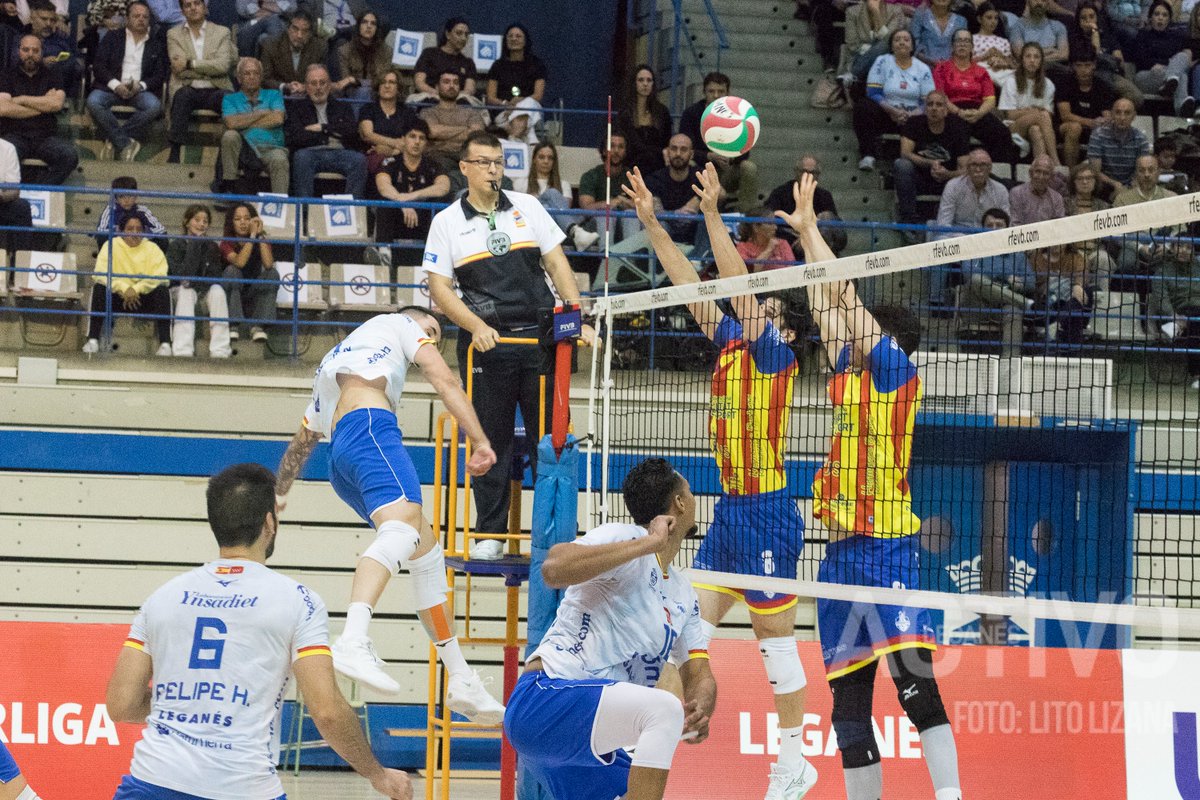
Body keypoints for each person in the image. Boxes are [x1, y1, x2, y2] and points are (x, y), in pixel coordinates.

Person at [623, 162, 818, 799]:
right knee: (683, 633)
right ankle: (641, 760)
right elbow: (689, 286)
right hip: (731, 515)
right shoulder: (733, 343)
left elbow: (734, 286)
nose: (753, 306)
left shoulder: (774, 353)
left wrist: (711, 212)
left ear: (783, 327)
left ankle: (793, 763)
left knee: (776, 647)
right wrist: (653, 224)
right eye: (754, 304)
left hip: (769, 512)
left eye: (765, 305)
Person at [776, 173, 962, 800]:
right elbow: (830, 308)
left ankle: (950, 796)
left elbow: (846, 303)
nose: (851, 341)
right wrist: (805, 238)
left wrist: (813, 233)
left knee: (916, 688)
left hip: (888, 547)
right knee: (849, 714)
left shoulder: (897, 376)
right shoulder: (849, 376)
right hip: (841, 558)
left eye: (865, 337)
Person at [105, 463, 413, 800]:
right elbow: (326, 711)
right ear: (270, 522)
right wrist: (377, 773)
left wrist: (188, 703)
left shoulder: (161, 598)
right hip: (243, 788)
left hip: (152, 782)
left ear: (215, 524)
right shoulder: (299, 601)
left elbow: (122, 704)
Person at [273, 306, 505, 723]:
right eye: (430, 330)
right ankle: (353, 639)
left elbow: (305, 438)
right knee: (400, 532)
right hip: (370, 428)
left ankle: (461, 679)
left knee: (426, 556)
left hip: (340, 458)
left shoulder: (336, 360)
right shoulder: (398, 324)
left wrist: (279, 490)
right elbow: (445, 379)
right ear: (411, 320)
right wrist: (480, 439)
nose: (431, 340)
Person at [423, 131, 596, 562]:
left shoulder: (529, 207)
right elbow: (439, 289)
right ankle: (490, 534)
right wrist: (474, 323)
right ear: (464, 168)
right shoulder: (446, 222)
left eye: (498, 162)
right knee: (490, 439)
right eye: (483, 163)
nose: (492, 170)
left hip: (539, 339)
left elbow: (557, 263)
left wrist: (574, 319)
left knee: (551, 440)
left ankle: (557, 532)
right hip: (486, 344)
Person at [505, 457, 718, 800]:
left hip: (586, 740)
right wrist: (649, 544)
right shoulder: (623, 537)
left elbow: (700, 673)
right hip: (543, 701)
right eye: (690, 492)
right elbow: (553, 569)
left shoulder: (682, 594)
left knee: (632, 782)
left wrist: (700, 709)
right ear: (679, 502)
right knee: (663, 709)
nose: (692, 498)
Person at [86, 0, 165, 162]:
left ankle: (116, 139)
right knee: (93, 101)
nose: (141, 19)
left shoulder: (156, 43)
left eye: (145, 17)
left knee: (154, 106)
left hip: (140, 90)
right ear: (127, 19)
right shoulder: (113, 37)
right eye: (136, 16)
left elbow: (160, 75)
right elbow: (99, 66)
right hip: (112, 87)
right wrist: (116, 85)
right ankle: (125, 143)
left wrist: (140, 86)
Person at [84, 211, 172, 356]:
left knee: (163, 292)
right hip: (118, 297)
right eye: (130, 229)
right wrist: (124, 288)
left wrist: (136, 289)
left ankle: (165, 344)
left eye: (138, 229)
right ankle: (92, 340)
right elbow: (99, 274)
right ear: (121, 230)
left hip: (142, 299)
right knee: (99, 289)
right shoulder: (110, 246)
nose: (135, 233)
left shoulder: (153, 248)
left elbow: (161, 276)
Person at [853, 29, 935, 171]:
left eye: (906, 40)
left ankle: (922, 162)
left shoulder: (923, 68)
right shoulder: (882, 61)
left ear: (912, 46)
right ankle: (868, 155)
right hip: (886, 112)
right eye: (897, 40)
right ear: (891, 46)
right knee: (863, 107)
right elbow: (873, 92)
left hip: (913, 116)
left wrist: (911, 114)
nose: (902, 42)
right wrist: (893, 111)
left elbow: (927, 100)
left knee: (933, 113)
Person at [0, 34, 77, 185]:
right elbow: (3, 108)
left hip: (44, 137)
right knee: (2, 153)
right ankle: (13, 195)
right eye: (26, 49)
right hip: (14, 134)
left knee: (70, 156)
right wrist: (43, 105)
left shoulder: (53, 74)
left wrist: (21, 100)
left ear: (42, 53)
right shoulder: (6, 75)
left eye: (35, 50)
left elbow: (56, 105)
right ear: (18, 51)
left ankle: (40, 190)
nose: (30, 54)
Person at [165, 0, 236, 163]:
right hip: (188, 87)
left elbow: (223, 66)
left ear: (205, 7)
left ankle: (227, 156)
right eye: (187, 5)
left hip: (217, 88)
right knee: (182, 96)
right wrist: (210, 67)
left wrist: (190, 64)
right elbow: (178, 68)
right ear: (182, 11)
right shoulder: (173, 34)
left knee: (229, 100)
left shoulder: (222, 32)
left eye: (197, 3)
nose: (192, 8)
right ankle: (175, 152)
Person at [678, 72, 759, 211]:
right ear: (704, 92)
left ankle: (744, 218)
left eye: (720, 91)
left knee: (749, 167)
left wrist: (731, 157)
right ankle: (691, 209)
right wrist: (710, 156)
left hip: (726, 169)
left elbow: (745, 150)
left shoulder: (738, 114)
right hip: (701, 169)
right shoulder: (691, 114)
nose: (716, 95)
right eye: (711, 91)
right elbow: (685, 149)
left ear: (727, 93)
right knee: (688, 163)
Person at [374, 119, 450, 267]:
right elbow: (383, 186)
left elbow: (443, 187)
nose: (417, 142)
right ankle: (384, 254)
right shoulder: (390, 162)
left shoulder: (433, 165)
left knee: (440, 203)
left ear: (426, 143)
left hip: (422, 221)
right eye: (412, 136)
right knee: (385, 202)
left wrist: (410, 198)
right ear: (403, 139)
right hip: (396, 220)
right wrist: (402, 203)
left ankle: (435, 258)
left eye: (421, 138)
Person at [933, 29, 1015, 162]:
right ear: (952, 46)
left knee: (1002, 133)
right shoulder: (942, 68)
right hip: (952, 111)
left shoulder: (981, 71)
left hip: (977, 111)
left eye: (966, 41)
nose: (962, 44)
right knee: (959, 131)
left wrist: (979, 113)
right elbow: (941, 97)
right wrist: (959, 112)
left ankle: (994, 173)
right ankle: (960, 172)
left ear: (972, 46)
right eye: (959, 41)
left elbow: (990, 100)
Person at [892, 90, 971, 229]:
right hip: (919, 178)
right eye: (930, 104)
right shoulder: (913, 123)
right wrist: (931, 163)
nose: (934, 108)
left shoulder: (958, 128)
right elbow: (905, 153)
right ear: (925, 108)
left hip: (948, 180)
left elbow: (965, 168)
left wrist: (947, 174)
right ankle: (908, 221)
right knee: (901, 165)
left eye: (939, 105)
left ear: (946, 110)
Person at [285, 63, 366, 197]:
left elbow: (351, 132)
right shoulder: (297, 108)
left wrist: (323, 128)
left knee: (359, 160)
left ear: (329, 86)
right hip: (310, 153)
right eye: (313, 83)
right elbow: (295, 137)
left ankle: (352, 212)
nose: (318, 88)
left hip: (340, 153)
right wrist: (329, 135)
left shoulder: (342, 106)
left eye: (322, 83)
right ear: (306, 87)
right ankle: (304, 212)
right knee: (300, 157)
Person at [961, 207, 1038, 347]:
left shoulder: (1018, 254)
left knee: (1014, 312)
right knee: (977, 280)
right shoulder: (973, 248)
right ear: (982, 229)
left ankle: (1011, 364)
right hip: (977, 306)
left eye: (999, 225)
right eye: (990, 226)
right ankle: (1024, 303)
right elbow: (968, 273)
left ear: (1008, 228)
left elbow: (1031, 282)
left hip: (1004, 307)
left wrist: (1019, 284)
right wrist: (1005, 275)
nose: (994, 229)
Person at [168, 203, 231, 358]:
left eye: (205, 221)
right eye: (197, 220)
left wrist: (196, 283)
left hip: (202, 287)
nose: (201, 224)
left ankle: (220, 349)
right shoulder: (176, 245)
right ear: (187, 221)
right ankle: (183, 350)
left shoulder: (212, 247)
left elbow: (215, 275)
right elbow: (180, 275)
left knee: (218, 291)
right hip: (179, 290)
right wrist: (194, 246)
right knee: (186, 292)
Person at [219, 56, 289, 194]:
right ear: (239, 78)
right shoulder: (230, 99)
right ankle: (229, 185)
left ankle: (281, 206)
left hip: (271, 148)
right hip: (243, 150)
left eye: (256, 73)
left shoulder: (274, 95)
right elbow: (232, 123)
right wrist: (262, 113)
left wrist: (243, 122)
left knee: (280, 159)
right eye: (247, 73)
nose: (252, 77)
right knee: (230, 135)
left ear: (261, 77)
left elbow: (277, 119)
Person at [513, 141, 599, 250]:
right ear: (534, 159)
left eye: (550, 158)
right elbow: (517, 211)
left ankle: (568, 236)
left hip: (555, 228)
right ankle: (576, 233)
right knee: (551, 197)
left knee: (549, 207)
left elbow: (563, 211)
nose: (546, 161)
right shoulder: (520, 183)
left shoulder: (564, 185)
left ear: (554, 162)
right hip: (529, 227)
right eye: (541, 157)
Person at [219, 202, 278, 343]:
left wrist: (260, 234)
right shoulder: (226, 243)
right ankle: (233, 325)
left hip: (252, 291)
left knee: (272, 274)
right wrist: (252, 237)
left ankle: (258, 327)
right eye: (238, 219)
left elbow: (268, 264)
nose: (243, 223)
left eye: (247, 218)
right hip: (232, 292)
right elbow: (240, 262)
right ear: (231, 223)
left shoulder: (260, 240)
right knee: (232, 270)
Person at [765, 154, 845, 257]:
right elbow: (769, 221)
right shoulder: (780, 193)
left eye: (812, 172)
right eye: (804, 171)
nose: (808, 175)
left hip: (819, 239)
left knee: (827, 217)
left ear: (818, 175)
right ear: (796, 172)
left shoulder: (825, 195)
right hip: (790, 243)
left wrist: (808, 236)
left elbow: (834, 227)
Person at [998, 42, 1060, 166]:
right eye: (1028, 56)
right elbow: (1010, 115)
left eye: (1036, 57)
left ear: (1041, 61)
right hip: (1013, 127)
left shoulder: (1048, 84)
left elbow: (1048, 115)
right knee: (1041, 116)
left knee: (1035, 130)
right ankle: (1056, 162)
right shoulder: (1011, 81)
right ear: (1022, 59)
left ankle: (1041, 168)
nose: (1032, 60)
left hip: (1037, 125)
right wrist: (1033, 111)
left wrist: (1028, 112)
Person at [1130, 0, 1195, 118]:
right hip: (1146, 75)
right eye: (1157, 14)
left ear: (1169, 19)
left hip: (1166, 75)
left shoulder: (1175, 37)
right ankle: (1179, 101)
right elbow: (1140, 58)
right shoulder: (1143, 35)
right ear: (1150, 17)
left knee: (1183, 57)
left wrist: (1167, 67)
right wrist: (1155, 64)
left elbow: (1183, 59)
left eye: (1164, 15)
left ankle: (1171, 84)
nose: (1160, 18)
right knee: (1181, 76)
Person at [1056, 45, 1117, 167]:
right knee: (1074, 128)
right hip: (1065, 127)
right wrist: (1090, 122)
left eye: (1087, 65)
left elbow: (1108, 115)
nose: (1083, 70)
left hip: (1094, 129)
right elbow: (1065, 115)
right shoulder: (1064, 83)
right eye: (1079, 66)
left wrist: (1104, 121)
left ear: (1094, 65)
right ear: (1073, 66)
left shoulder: (1103, 87)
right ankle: (1071, 172)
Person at [486, 23, 546, 144]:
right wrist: (506, 104)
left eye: (518, 36)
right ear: (505, 40)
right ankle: (530, 139)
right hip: (504, 112)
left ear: (525, 41)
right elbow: (490, 98)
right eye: (510, 36)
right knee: (526, 122)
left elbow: (538, 96)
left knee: (529, 103)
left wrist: (518, 103)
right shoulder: (497, 66)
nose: (514, 39)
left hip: (529, 109)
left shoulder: (537, 64)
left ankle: (513, 139)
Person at [578, 130, 639, 248]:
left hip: (625, 224)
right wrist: (609, 204)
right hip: (596, 225)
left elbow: (644, 206)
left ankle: (630, 264)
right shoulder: (591, 175)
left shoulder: (632, 176)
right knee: (606, 215)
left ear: (625, 151)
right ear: (604, 150)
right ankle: (606, 262)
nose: (616, 151)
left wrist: (624, 202)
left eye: (621, 147)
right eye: (612, 146)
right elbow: (586, 207)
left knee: (630, 215)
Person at [419, 69, 487, 171]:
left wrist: (443, 133)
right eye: (446, 82)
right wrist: (466, 129)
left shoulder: (471, 112)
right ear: (437, 87)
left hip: (468, 156)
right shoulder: (428, 112)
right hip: (439, 155)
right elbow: (433, 131)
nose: (451, 86)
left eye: (455, 82)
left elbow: (477, 134)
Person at [358, 67, 420, 180]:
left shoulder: (407, 112)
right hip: (373, 155)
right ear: (378, 87)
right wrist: (395, 143)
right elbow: (368, 135)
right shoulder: (368, 109)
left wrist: (391, 151)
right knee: (383, 164)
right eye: (383, 82)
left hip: (401, 154)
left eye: (391, 82)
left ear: (398, 88)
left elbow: (411, 139)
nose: (387, 86)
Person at [1087, 97, 1150, 198]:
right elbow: (1095, 171)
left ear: (1134, 116)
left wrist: (1129, 188)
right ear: (1112, 114)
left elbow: (1142, 170)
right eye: (1118, 112)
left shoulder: (1141, 139)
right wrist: (1115, 184)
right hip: (1104, 184)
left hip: (1131, 186)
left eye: (1127, 113)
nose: (1122, 117)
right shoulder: (1098, 135)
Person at [618, 64, 672, 178]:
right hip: (631, 165)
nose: (645, 84)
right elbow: (631, 143)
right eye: (641, 80)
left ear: (653, 84)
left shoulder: (662, 111)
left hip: (657, 167)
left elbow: (667, 141)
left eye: (649, 80)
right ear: (634, 83)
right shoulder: (625, 112)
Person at [260, 10, 325, 97]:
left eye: (304, 31)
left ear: (310, 33)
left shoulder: (319, 47)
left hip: (308, 98)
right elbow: (264, 79)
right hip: (278, 97)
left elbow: (324, 79)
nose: (299, 35)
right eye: (295, 29)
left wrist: (306, 87)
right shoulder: (271, 45)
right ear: (288, 29)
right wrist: (285, 87)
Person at [842, 0, 908, 84]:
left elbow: (890, 40)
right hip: (859, 56)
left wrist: (876, 13)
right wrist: (874, 51)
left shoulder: (895, 11)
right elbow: (852, 44)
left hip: (886, 57)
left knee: (885, 45)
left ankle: (852, 75)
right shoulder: (852, 12)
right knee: (881, 48)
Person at [25, 0, 81, 96]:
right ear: (32, 19)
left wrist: (60, 62)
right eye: (44, 19)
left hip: (60, 83)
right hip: (29, 83)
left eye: (52, 20)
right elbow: (15, 60)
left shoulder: (62, 39)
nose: (48, 24)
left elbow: (75, 58)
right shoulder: (21, 37)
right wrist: (41, 61)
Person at [95, 175, 168, 246]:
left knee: (162, 240)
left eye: (130, 195)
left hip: (139, 247)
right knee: (102, 238)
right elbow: (101, 231)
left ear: (136, 196)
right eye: (121, 196)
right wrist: (118, 232)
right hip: (118, 248)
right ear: (116, 198)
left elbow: (161, 230)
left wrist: (142, 231)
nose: (126, 200)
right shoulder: (110, 210)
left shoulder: (143, 210)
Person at [413, 16, 475, 97]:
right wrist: (442, 97)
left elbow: (469, 90)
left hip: (458, 102)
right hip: (430, 99)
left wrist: (450, 99)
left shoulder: (468, 63)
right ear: (448, 34)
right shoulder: (429, 54)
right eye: (459, 33)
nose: (463, 38)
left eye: (466, 35)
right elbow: (419, 83)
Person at [335, 10, 389, 101]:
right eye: (364, 22)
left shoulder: (386, 51)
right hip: (351, 92)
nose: (369, 26)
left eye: (373, 23)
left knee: (364, 92)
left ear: (377, 29)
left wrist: (355, 80)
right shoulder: (344, 50)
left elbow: (381, 80)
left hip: (377, 93)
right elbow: (345, 81)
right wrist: (352, 81)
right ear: (358, 27)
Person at [1009, 0, 1069, 68]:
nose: (1039, 3)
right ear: (1028, 2)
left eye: (1043, 0)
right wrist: (1051, 50)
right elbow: (1021, 55)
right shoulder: (1017, 27)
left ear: (1048, 3)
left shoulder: (1058, 26)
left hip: (1053, 70)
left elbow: (1064, 55)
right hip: (1028, 71)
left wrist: (1032, 56)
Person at [0, 137, 32, 263]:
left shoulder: (7, 148)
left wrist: (2, 197)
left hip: (1, 202)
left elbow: (14, 190)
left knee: (21, 207)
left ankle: (20, 268)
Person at [1009, 154, 1065, 225]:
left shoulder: (1057, 198)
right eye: (1038, 171)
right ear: (1030, 173)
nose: (1041, 177)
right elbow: (1015, 223)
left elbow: (1058, 225)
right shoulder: (1017, 193)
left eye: (1046, 173)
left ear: (1051, 177)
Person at [972, 1, 1016, 85]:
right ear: (979, 19)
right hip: (982, 70)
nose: (993, 21)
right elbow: (966, 63)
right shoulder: (972, 39)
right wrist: (985, 56)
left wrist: (1001, 57)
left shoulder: (1003, 41)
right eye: (989, 18)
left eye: (996, 18)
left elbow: (1012, 64)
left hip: (1002, 71)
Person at [911, 0, 967, 65]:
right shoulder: (920, 16)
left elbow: (963, 46)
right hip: (923, 66)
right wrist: (931, 61)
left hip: (953, 68)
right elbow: (913, 44)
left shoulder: (961, 21)